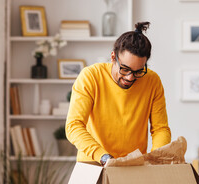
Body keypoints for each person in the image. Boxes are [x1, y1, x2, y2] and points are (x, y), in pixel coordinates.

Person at [65, 22, 171, 166]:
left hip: (134, 165)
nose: (130, 77)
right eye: (125, 69)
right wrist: (103, 157)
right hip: (93, 162)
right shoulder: (90, 76)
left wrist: (156, 159)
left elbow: (160, 129)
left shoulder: (152, 81)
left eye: (138, 71)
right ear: (113, 57)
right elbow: (74, 125)